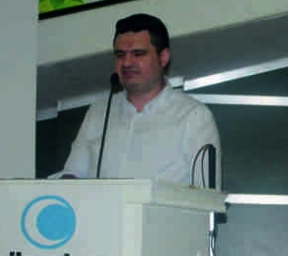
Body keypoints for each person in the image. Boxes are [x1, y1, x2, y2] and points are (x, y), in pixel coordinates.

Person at [52, 13, 221, 187]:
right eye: (120, 55)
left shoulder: (193, 116)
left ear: (163, 57)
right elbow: (71, 177)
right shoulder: (99, 112)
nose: (126, 63)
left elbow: (206, 194)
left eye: (138, 54)